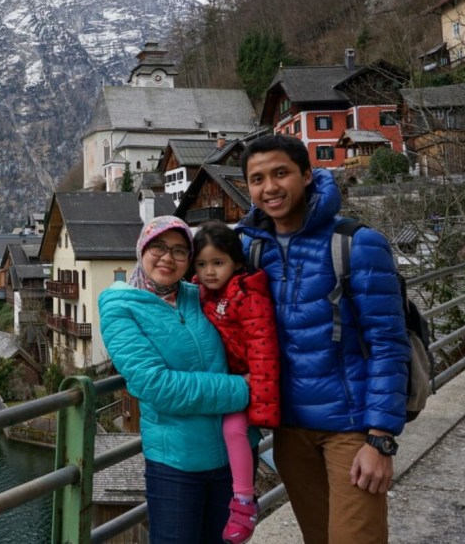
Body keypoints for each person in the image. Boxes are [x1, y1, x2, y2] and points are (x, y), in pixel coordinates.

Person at [235, 134, 409, 544]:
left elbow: (387, 343)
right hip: (290, 431)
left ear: (307, 175)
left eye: (281, 173)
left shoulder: (355, 243)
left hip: (350, 429)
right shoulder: (251, 249)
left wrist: (381, 438)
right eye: (258, 179)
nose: (270, 187)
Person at [99, 216, 250, 543]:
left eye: (180, 250)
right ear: (142, 249)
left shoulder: (200, 295)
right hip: (176, 465)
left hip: (230, 457)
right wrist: (245, 389)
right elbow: (157, 386)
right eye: (158, 247)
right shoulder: (120, 306)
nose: (167, 258)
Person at [192, 221, 281, 544]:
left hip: (247, 383)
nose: (209, 271)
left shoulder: (247, 296)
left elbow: (263, 348)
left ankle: (244, 501)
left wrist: (262, 404)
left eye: (218, 262)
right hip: (227, 382)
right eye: (202, 264)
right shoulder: (203, 294)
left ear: (237, 262)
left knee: (233, 429)